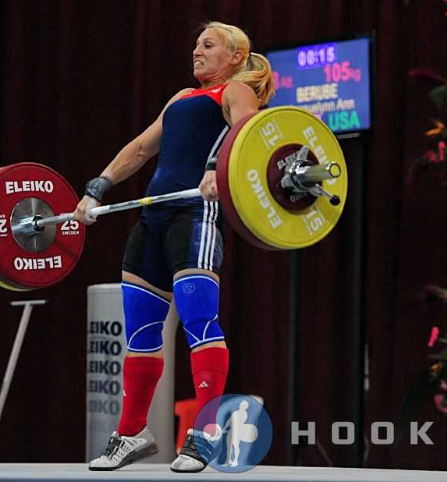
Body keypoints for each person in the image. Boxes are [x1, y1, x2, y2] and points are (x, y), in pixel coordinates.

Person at [74, 21, 275, 473]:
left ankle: (206, 433)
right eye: (196, 45)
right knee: (141, 333)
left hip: (195, 214)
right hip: (154, 218)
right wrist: (97, 189)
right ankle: (131, 434)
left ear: (236, 57)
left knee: (198, 319)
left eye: (209, 46)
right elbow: (142, 148)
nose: (197, 52)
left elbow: (246, 137)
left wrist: (216, 170)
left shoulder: (235, 92)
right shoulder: (182, 98)